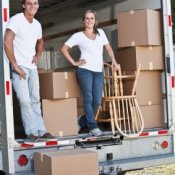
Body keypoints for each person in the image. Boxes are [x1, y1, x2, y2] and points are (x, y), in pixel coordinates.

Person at [4, 0, 56, 142]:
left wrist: (38, 55)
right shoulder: (16, 20)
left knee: (35, 101)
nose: (32, 6)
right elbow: (7, 41)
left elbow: (40, 41)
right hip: (19, 67)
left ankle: (41, 130)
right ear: (23, 5)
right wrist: (14, 65)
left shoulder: (37, 24)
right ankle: (31, 132)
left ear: (38, 5)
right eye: (29, 3)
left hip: (32, 68)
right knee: (25, 101)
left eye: (35, 3)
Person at [61, 9, 119, 136]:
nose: (89, 20)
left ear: (95, 20)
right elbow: (64, 48)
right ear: (83, 21)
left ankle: (82, 121)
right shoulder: (78, 36)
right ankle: (93, 127)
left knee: (97, 100)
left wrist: (114, 60)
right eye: (87, 18)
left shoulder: (101, 33)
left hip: (98, 71)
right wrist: (74, 62)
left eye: (92, 18)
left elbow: (108, 48)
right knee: (88, 98)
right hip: (85, 71)